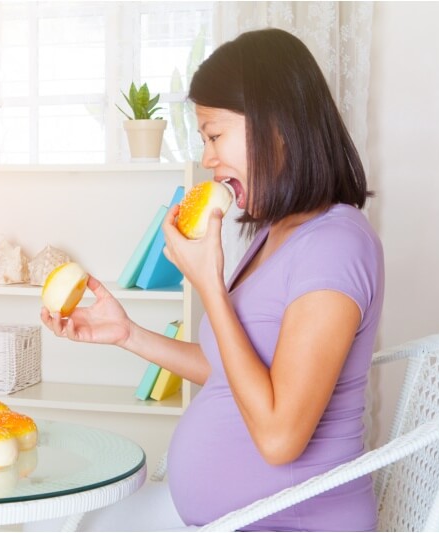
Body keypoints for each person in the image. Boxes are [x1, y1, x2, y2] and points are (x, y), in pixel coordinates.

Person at [40, 28, 384, 531]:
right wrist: (128, 334)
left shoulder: (335, 246)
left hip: (286, 523)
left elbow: (279, 437)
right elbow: (233, 368)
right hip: (226, 518)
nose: (207, 159)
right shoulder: (275, 231)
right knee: (54, 518)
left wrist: (210, 289)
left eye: (215, 134)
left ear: (277, 126)